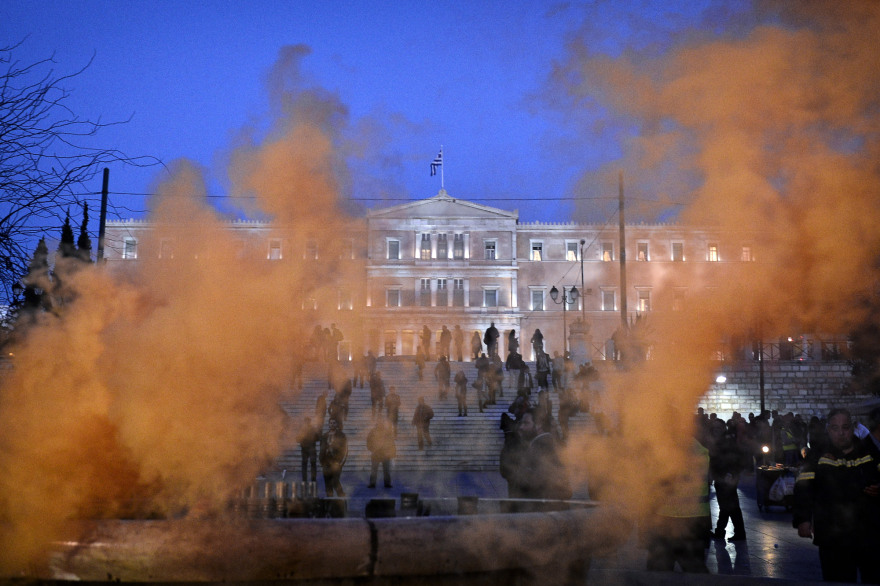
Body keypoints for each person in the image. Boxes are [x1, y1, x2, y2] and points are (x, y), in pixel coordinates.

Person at [793, 408, 880, 583]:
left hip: (868, 534)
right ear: (828, 429)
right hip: (833, 536)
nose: (841, 433)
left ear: (853, 428)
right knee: (838, 581)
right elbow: (803, 487)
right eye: (835, 428)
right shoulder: (816, 455)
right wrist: (803, 519)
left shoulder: (868, 452)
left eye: (845, 427)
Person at [509, 409, 572, 500]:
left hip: (541, 508)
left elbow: (538, 481)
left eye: (526, 423)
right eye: (521, 423)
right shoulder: (542, 445)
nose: (521, 427)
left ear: (539, 425)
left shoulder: (542, 447)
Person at [708, 418, 746, 542]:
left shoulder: (727, 441)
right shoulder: (718, 441)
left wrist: (731, 473)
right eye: (714, 428)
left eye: (718, 428)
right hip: (721, 476)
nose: (716, 430)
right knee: (728, 506)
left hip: (727, 477)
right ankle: (731, 532)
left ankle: (727, 532)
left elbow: (735, 458)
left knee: (729, 506)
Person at [319, 418, 347, 497]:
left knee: (335, 481)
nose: (332, 424)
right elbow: (321, 448)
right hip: (326, 463)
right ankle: (329, 500)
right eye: (330, 423)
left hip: (336, 462)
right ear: (329, 424)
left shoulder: (341, 435)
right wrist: (321, 461)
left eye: (334, 423)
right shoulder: (325, 436)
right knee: (327, 483)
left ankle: (341, 496)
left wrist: (340, 462)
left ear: (336, 424)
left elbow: (345, 449)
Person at [367, 417, 396, 488]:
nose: (380, 423)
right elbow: (369, 441)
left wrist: (392, 452)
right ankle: (373, 483)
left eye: (381, 422)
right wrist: (372, 449)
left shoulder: (386, 432)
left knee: (386, 470)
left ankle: (386, 483)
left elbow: (391, 442)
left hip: (384, 454)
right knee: (375, 470)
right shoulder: (373, 431)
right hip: (376, 453)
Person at [297, 416, 321, 484]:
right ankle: (313, 479)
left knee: (305, 465)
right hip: (310, 449)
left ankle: (305, 479)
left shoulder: (302, 429)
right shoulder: (312, 429)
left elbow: (297, 439)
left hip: (306, 449)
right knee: (312, 465)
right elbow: (318, 438)